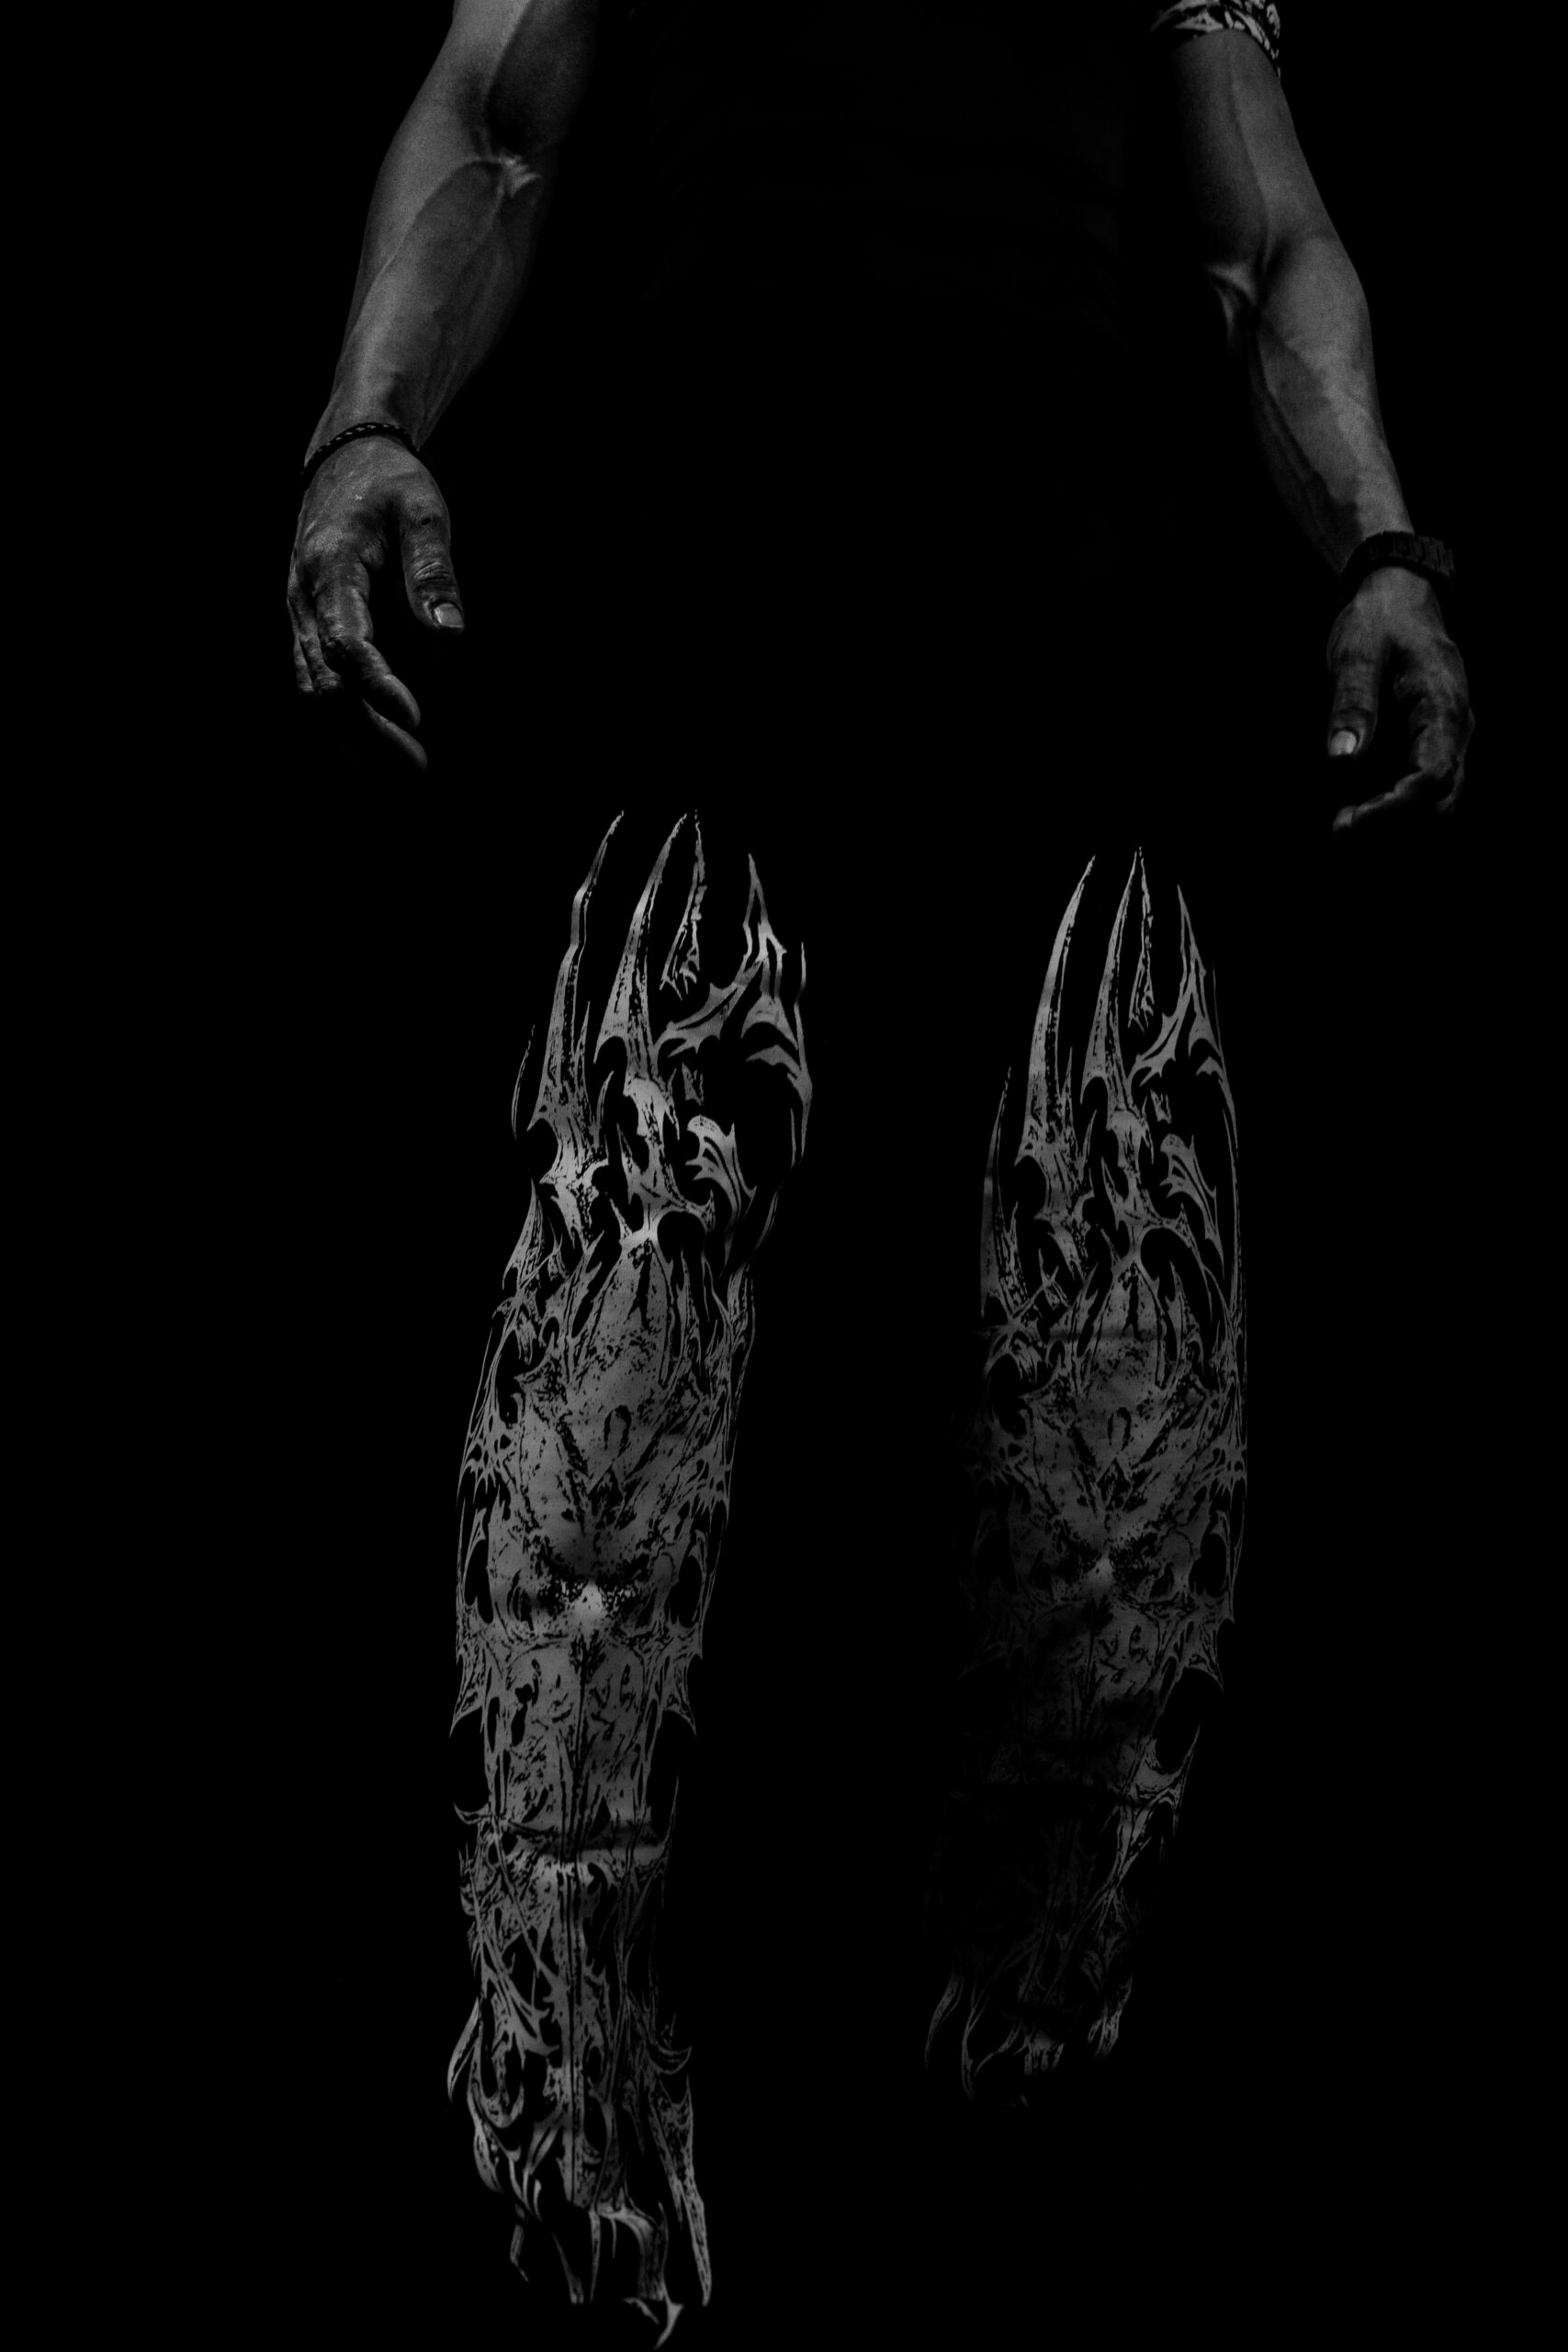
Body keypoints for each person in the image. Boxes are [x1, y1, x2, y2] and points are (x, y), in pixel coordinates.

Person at [287, 1, 1474, 2330]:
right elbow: (496, 127)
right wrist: (366, 425)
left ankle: (1000, 2160)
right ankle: (567, 2149)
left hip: (1071, 658)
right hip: (707, 633)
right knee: (602, 1438)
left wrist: (1376, 545)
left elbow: (1258, 245)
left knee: (1116, 1513)